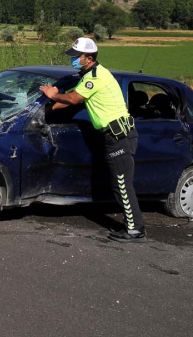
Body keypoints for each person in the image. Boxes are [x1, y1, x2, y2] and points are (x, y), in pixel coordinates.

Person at [38, 37, 146, 243]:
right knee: (119, 183)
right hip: (112, 135)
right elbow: (73, 98)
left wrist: (53, 95)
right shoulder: (87, 76)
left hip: (119, 136)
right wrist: (47, 109)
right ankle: (134, 227)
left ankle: (135, 230)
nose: (72, 60)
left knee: (122, 184)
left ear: (88, 58)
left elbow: (73, 99)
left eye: (75, 57)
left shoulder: (96, 76)